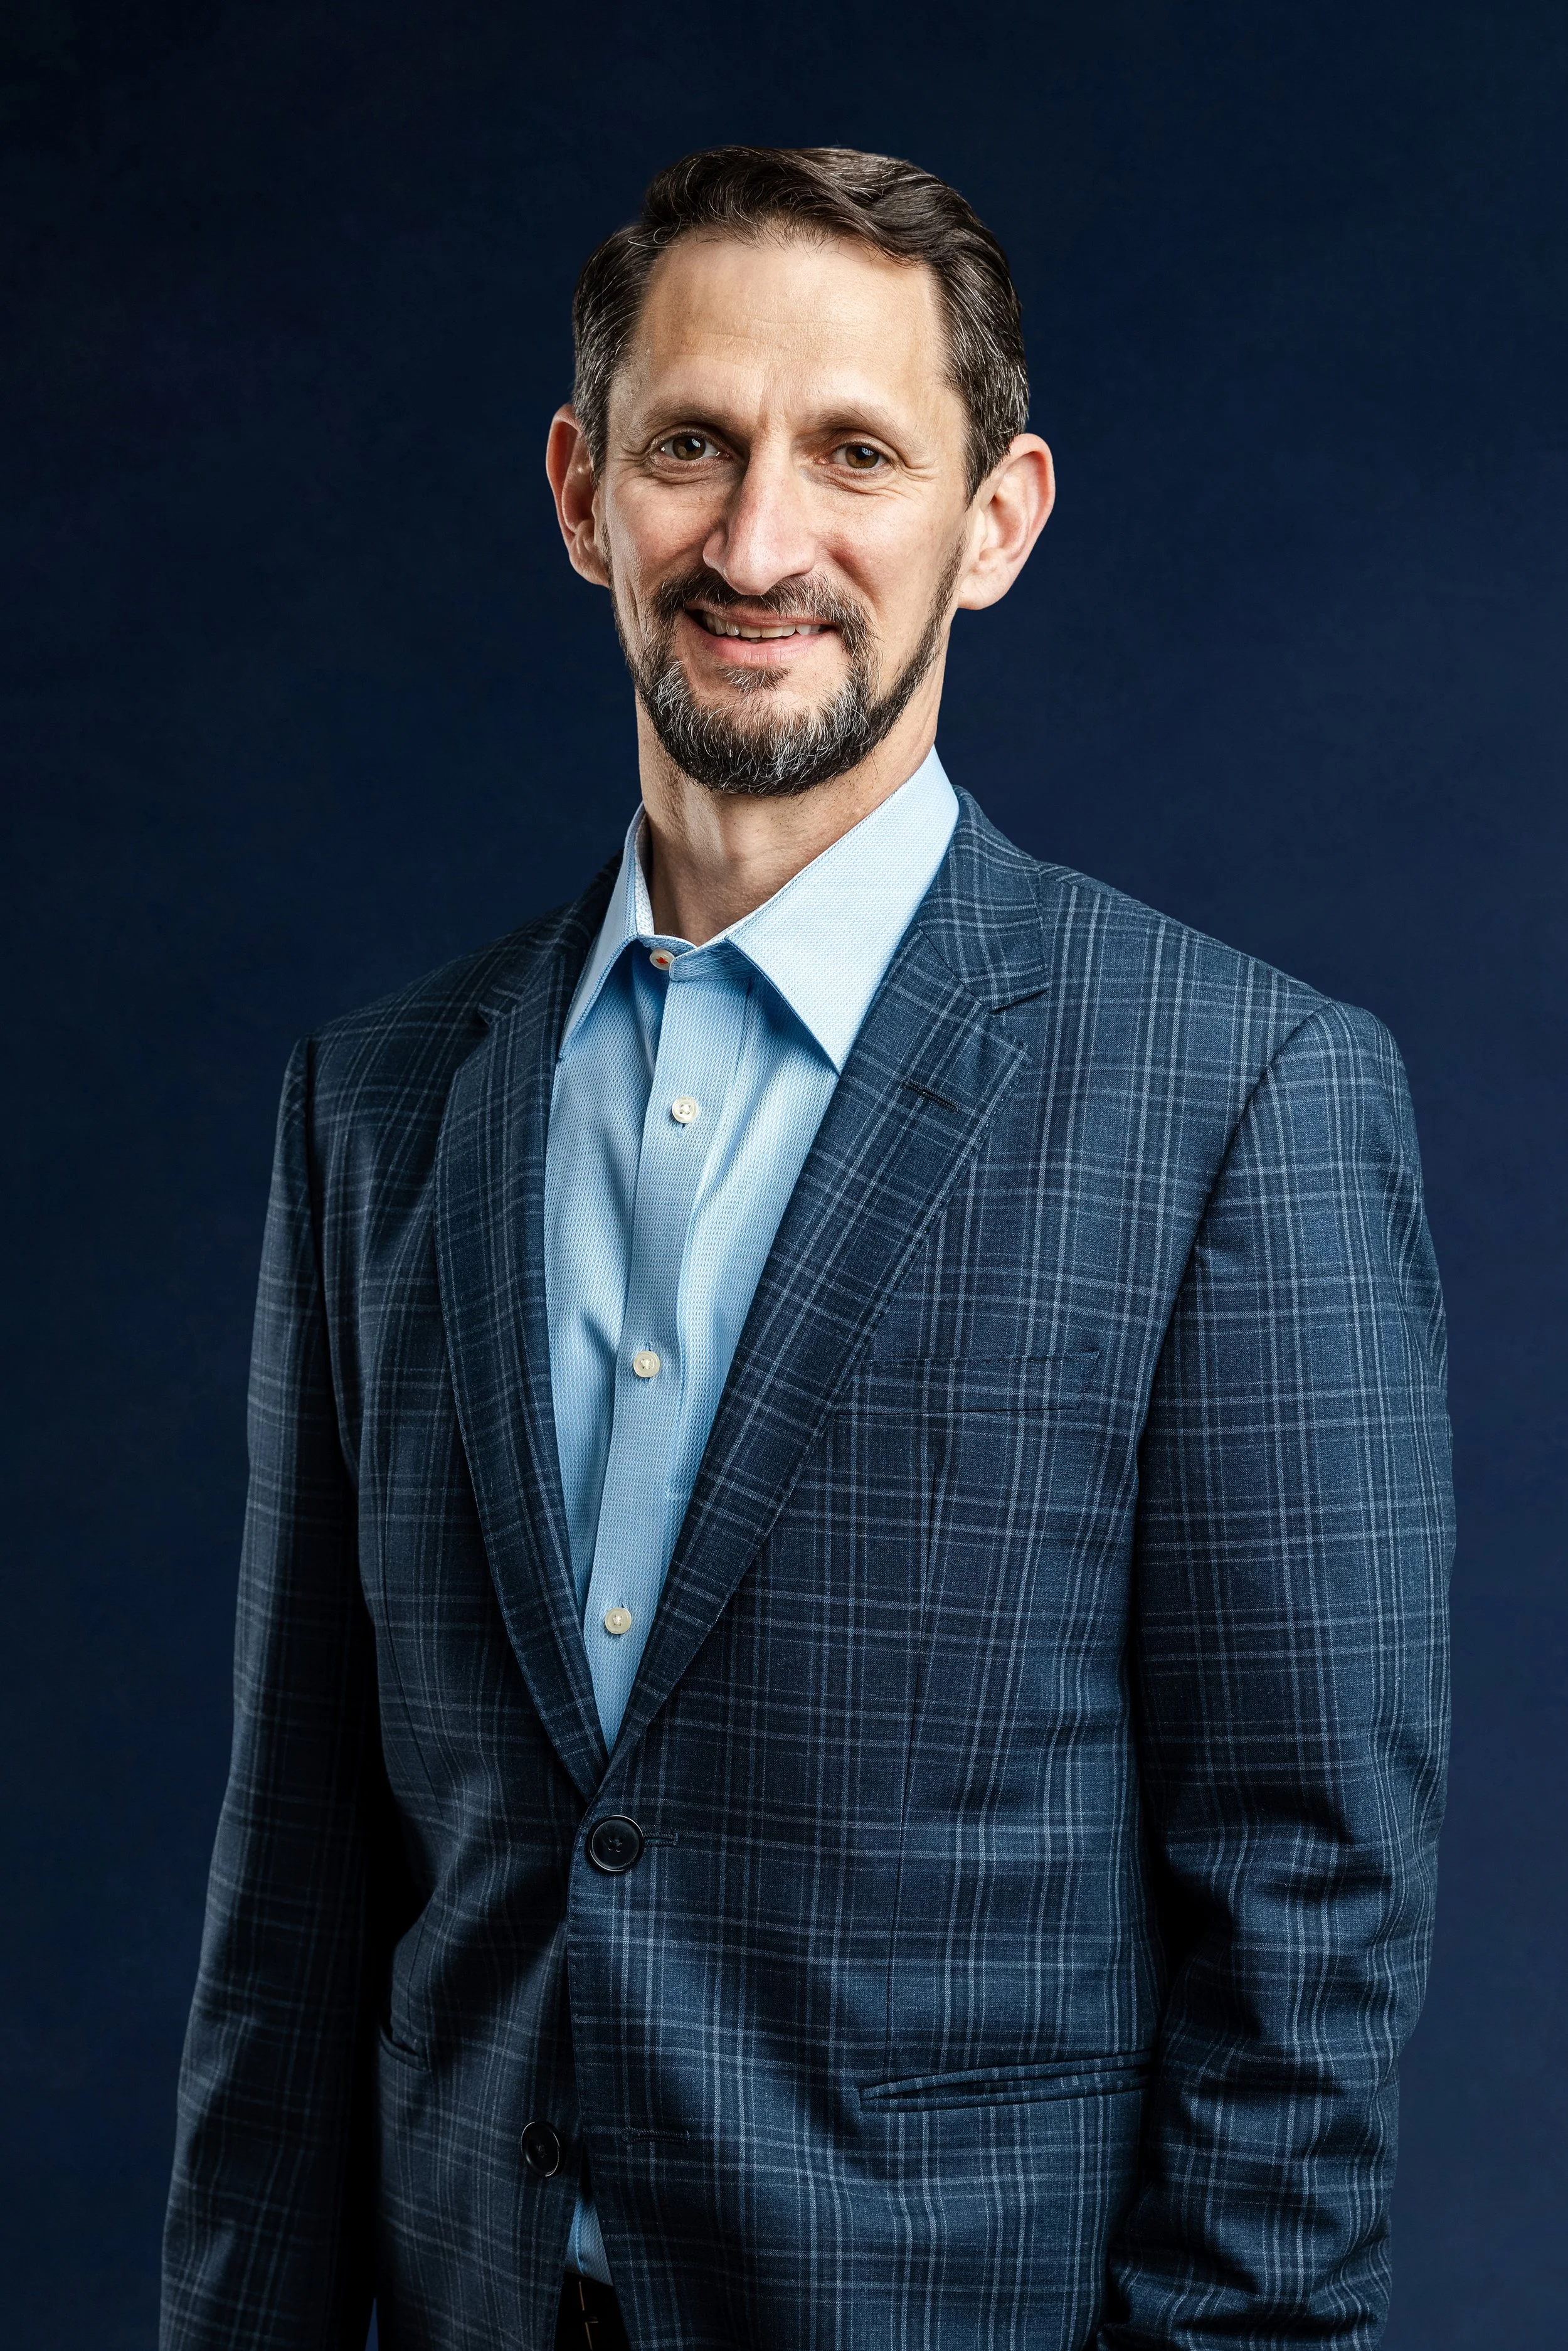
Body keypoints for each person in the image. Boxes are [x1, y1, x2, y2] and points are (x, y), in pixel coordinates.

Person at [161, 147, 1452, 2351]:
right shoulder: (371, 1108)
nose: (759, 545)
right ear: (582, 495)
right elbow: (297, 1888)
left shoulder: (1242, 1101)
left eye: (855, 453)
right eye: (692, 445)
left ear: (995, 520)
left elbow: (1306, 1936)